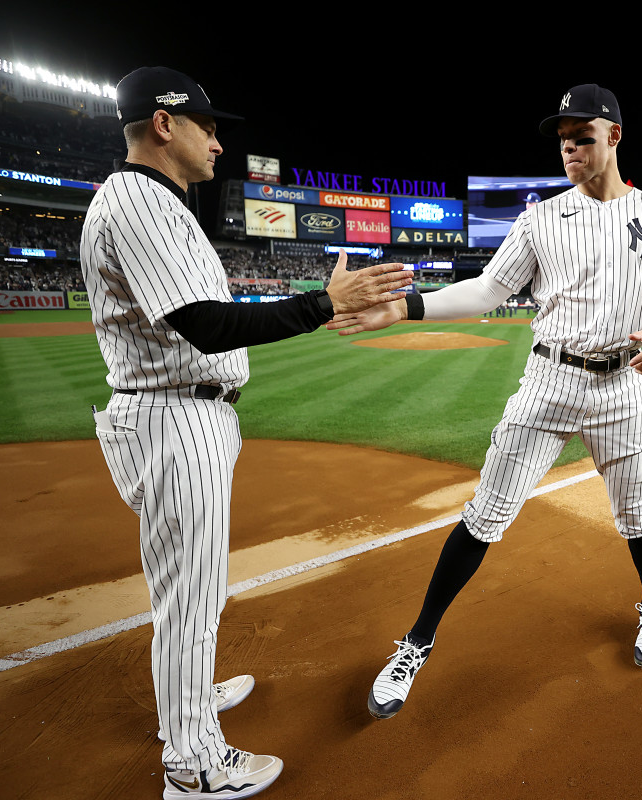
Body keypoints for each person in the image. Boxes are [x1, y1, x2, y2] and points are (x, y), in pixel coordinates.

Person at [79, 66, 410, 800]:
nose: (219, 142)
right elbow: (204, 322)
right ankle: (193, 765)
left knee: (193, 590)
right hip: (172, 415)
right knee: (191, 598)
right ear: (164, 124)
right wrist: (321, 303)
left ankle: (185, 708)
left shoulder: (157, 203)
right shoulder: (137, 202)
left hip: (184, 412)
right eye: (208, 126)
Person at [330, 83, 642, 719]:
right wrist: (399, 307)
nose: (570, 151)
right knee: (484, 517)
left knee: (637, 514)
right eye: (563, 142)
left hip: (621, 387)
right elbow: (485, 292)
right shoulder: (540, 218)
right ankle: (415, 645)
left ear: (614, 137)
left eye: (582, 138)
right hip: (549, 384)